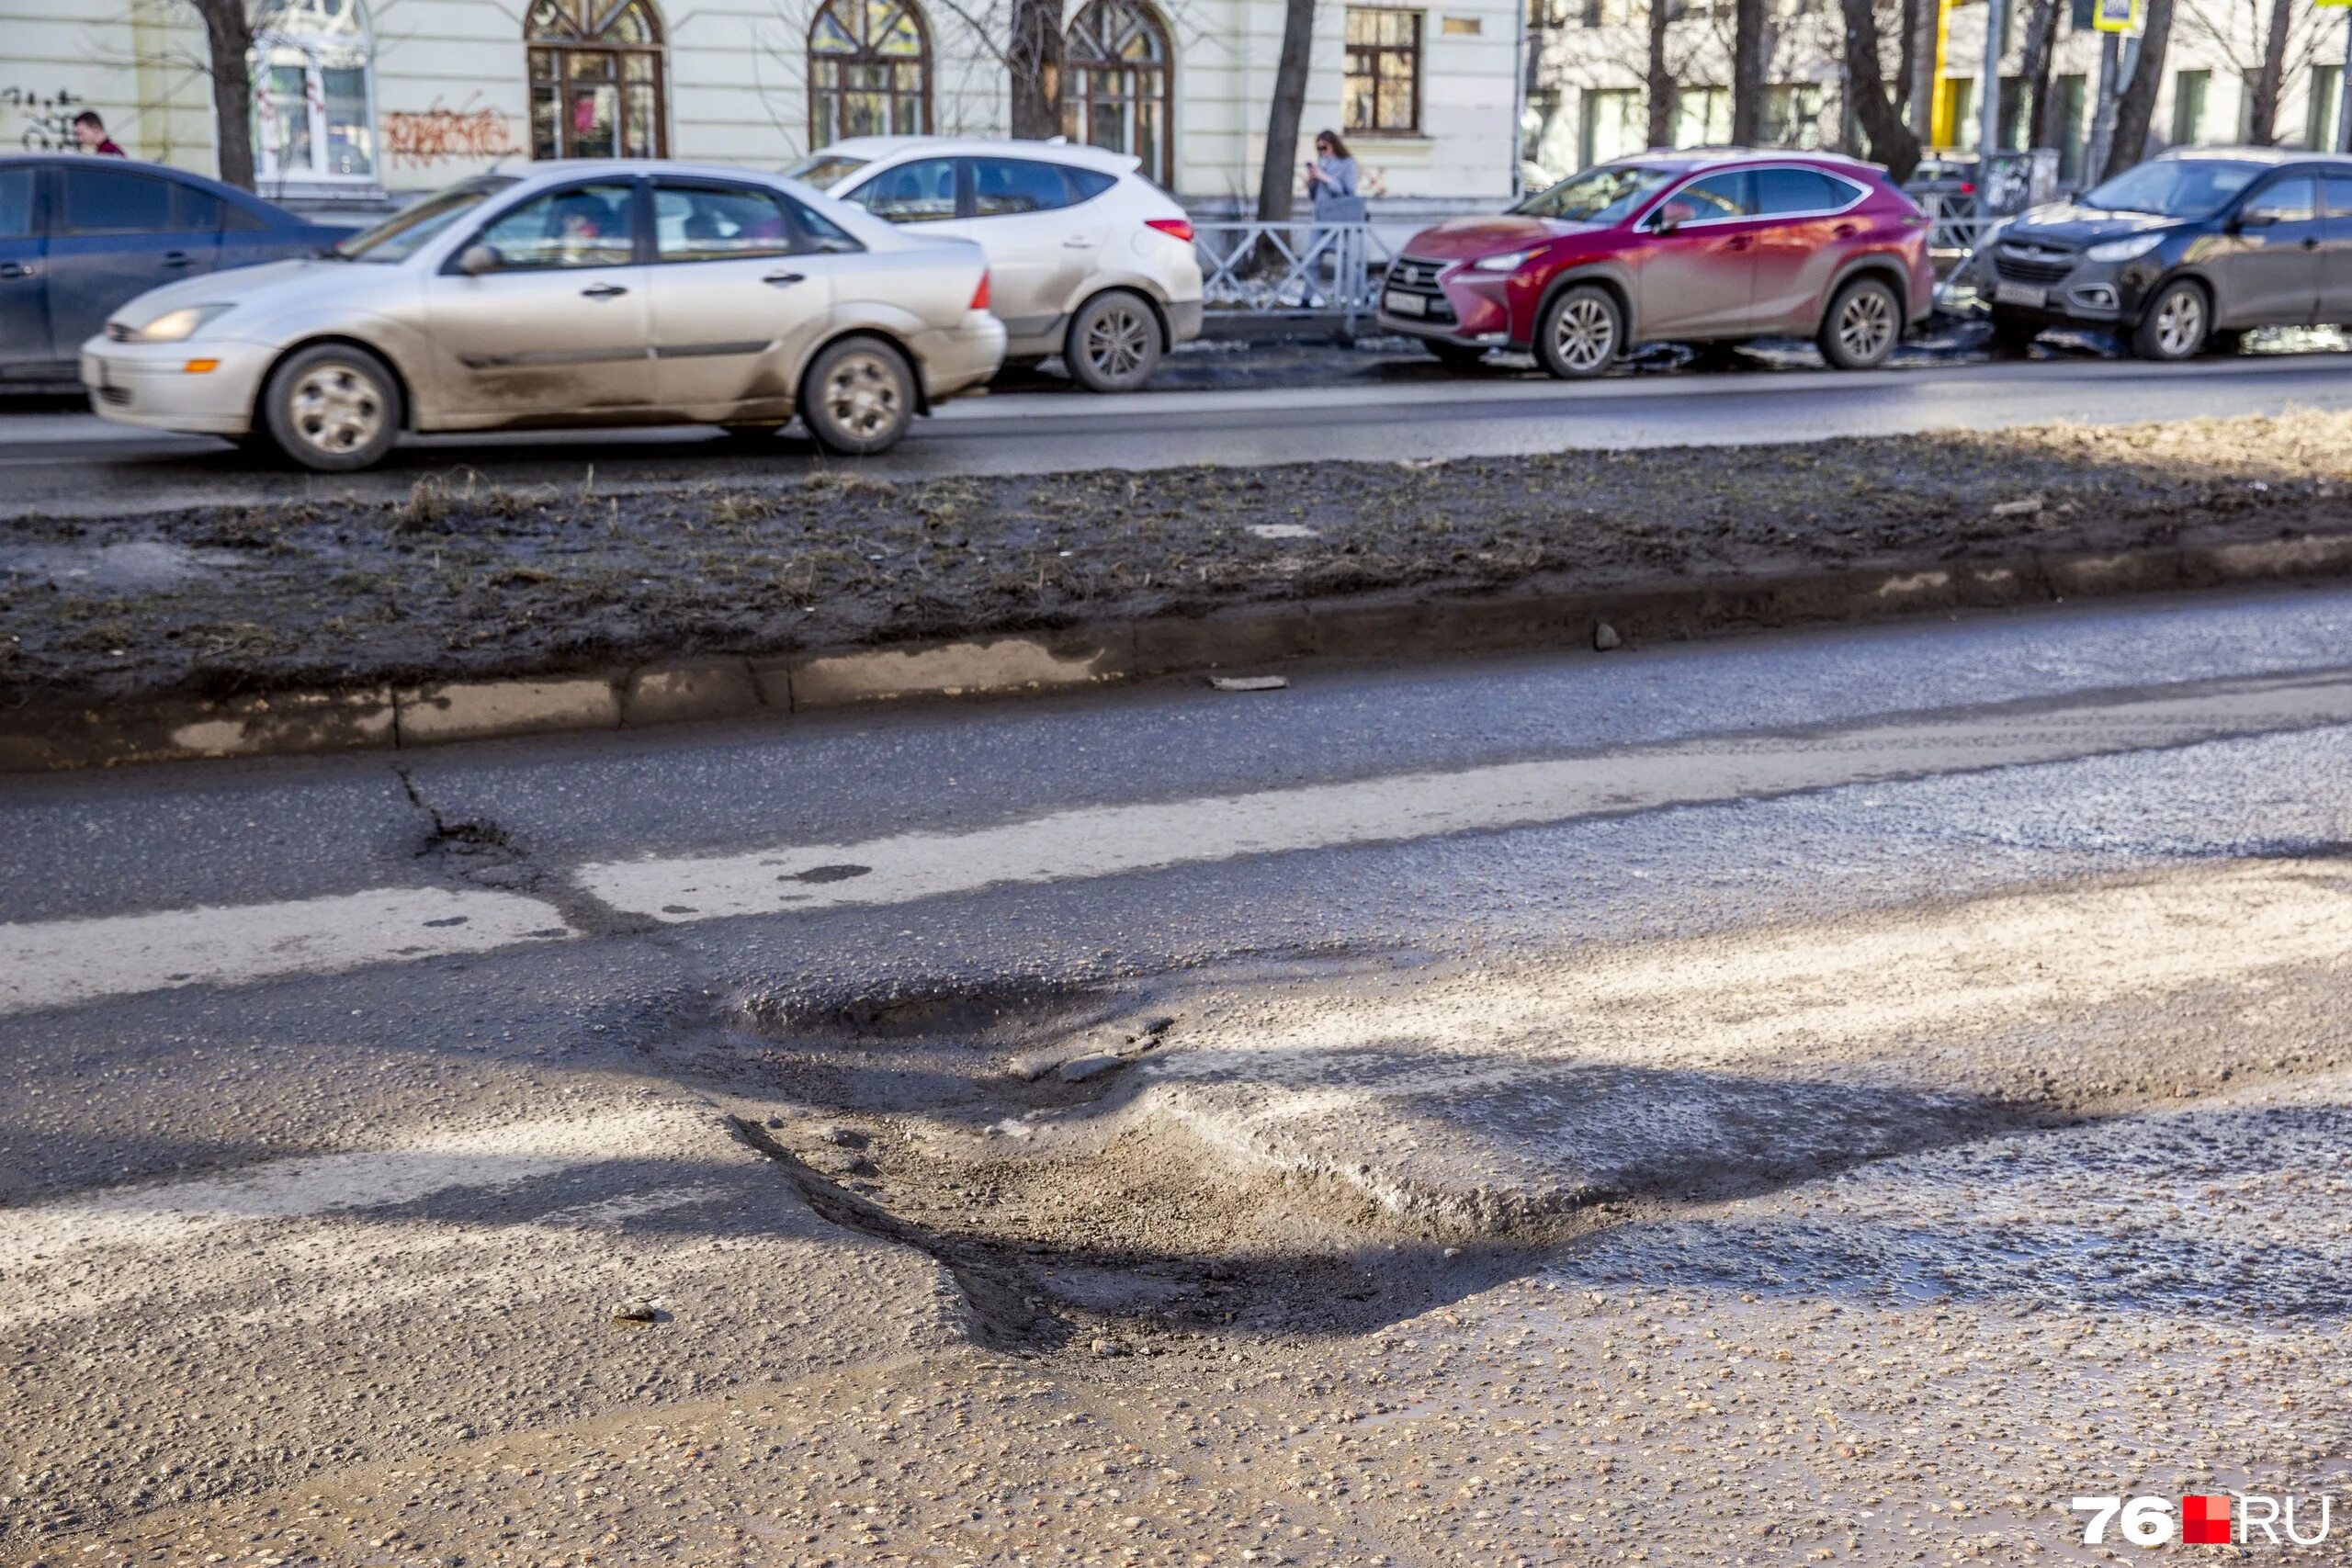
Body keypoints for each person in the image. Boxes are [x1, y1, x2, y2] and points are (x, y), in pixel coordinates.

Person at [1299, 130, 1362, 308]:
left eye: (1324, 147)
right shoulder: (1321, 164)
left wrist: (1325, 178)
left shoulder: (1347, 164)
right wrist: (1311, 182)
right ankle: (1305, 300)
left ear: (1333, 145)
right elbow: (1315, 197)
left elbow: (1348, 191)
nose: (1321, 151)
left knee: (1347, 262)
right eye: (1318, 148)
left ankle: (1363, 297)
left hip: (1339, 221)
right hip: (1320, 220)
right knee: (1312, 259)